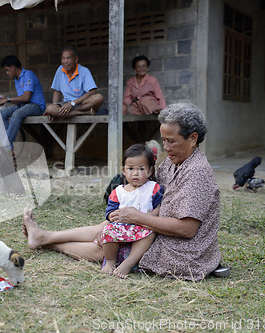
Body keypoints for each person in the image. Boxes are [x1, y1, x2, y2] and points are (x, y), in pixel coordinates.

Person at [22, 103, 222, 281]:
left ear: (193, 138)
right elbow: (151, 189)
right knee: (107, 226)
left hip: (180, 251)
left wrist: (137, 217)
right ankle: (45, 236)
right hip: (158, 229)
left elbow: (187, 229)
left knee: (108, 245)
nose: (166, 148)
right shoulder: (174, 161)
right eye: (163, 140)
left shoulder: (197, 173)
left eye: (171, 141)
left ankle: (47, 242)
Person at [100, 144, 163, 279]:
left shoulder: (153, 188)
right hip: (122, 228)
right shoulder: (118, 191)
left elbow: (160, 207)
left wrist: (148, 217)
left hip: (143, 228)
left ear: (150, 171)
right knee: (106, 230)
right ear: (123, 170)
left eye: (141, 169)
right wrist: (112, 215)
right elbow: (110, 210)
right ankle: (110, 261)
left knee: (150, 232)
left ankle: (129, 262)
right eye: (130, 169)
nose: (135, 173)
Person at [0, 55, 46, 151]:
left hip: (36, 106)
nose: (7, 73)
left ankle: (5, 147)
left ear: (13, 67)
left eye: (7, 70)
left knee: (17, 114)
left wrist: (8, 99)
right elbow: (21, 100)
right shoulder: (16, 79)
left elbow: (26, 97)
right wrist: (4, 98)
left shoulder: (28, 74)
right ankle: (9, 147)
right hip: (24, 106)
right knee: (0, 113)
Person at [44, 46, 104, 119]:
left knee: (99, 98)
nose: (65, 61)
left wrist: (72, 103)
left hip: (81, 104)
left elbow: (92, 92)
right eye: (63, 58)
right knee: (49, 109)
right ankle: (84, 113)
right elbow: (57, 92)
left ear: (76, 59)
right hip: (65, 105)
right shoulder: (60, 70)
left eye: (68, 58)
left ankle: (70, 112)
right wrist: (54, 107)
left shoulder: (84, 71)